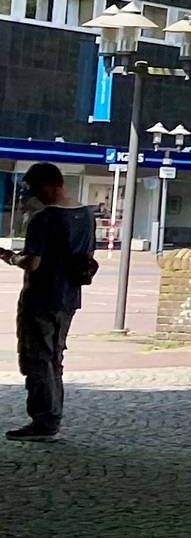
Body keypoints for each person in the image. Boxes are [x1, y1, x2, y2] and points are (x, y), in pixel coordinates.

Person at [7, 164, 93, 441]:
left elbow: (32, 262)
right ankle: (52, 416)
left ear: (47, 185)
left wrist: (9, 257)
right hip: (69, 296)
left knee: (36, 357)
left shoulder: (43, 218)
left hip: (41, 296)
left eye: (34, 189)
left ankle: (44, 421)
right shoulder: (86, 214)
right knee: (55, 357)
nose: (33, 196)